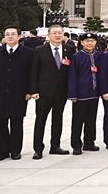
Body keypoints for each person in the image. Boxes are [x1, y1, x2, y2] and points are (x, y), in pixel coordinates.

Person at [0, 26, 33, 161]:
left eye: (13, 34)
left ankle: (16, 151)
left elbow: (31, 73)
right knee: (0, 123)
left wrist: (29, 90)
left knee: (17, 123)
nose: (10, 36)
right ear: (4, 37)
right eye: (7, 34)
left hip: (19, 93)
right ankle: (2, 151)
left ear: (19, 36)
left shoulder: (28, 53)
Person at [29, 24, 74, 159]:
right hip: (44, 92)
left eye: (60, 33)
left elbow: (71, 71)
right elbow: (34, 72)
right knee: (40, 120)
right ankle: (38, 149)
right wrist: (34, 90)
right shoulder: (39, 50)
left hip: (61, 92)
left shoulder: (69, 49)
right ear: (49, 35)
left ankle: (55, 146)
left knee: (57, 119)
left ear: (63, 34)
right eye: (54, 33)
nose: (57, 35)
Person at [67, 32, 102, 155]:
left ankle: (89, 142)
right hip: (81, 94)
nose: (90, 43)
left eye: (92, 41)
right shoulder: (77, 57)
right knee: (77, 121)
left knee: (91, 120)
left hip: (94, 93)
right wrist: (73, 94)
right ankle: (76, 145)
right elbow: (72, 75)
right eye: (87, 41)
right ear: (82, 42)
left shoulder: (98, 56)